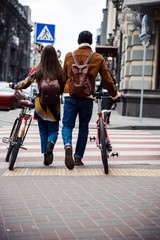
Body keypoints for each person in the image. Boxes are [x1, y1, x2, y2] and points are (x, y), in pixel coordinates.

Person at [62, 30, 122, 170]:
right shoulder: (97, 58)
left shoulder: (69, 56)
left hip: (70, 96)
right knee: (83, 127)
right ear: (91, 42)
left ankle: (67, 145)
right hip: (87, 98)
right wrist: (114, 94)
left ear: (78, 41)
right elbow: (107, 79)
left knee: (67, 125)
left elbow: (64, 77)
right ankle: (77, 158)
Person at [9, 45, 64, 166]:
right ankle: (51, 144)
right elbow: (63, 87)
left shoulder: (38, 69)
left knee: (43, 131)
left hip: (41, 105)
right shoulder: (60, 70)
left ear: (42, 55)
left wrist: (14, 85)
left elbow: (26, 82)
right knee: (54, 130)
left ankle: (45, 155)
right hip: (54, 105)